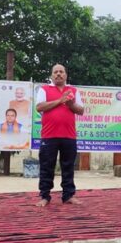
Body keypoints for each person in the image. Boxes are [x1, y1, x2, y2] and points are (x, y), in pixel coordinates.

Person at [35, 64, 84, 207]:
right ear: (51, 75)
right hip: (49, 136)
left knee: (68, 166)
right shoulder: (44, 89)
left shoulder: (73, 90)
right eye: (55, 72)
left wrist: (70, 104)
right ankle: (45, 196)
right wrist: (59, 101)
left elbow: (80, 110)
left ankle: (68, 195)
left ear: (66, 75)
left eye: (61, 72)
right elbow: (39, 107)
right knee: (46, 166)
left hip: (69, 136)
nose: (58, 74)